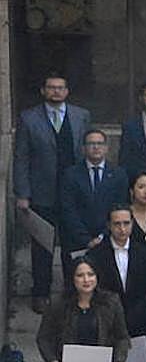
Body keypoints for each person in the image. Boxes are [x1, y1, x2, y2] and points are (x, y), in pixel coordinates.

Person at [14, 71, 90, 311]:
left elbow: (87, 150)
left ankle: (72, 292)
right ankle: (41, 292)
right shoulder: (29, 118)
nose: (56, 91)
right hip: (42, 192)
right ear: (43, 91)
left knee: (73, 244)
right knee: (42, 246)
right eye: (51, 87)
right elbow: (21, 157)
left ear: (67, 91)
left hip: (72, 192)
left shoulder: (81, 116)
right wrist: (22, 193)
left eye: (60, 88)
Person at [87, 205, 146, 343]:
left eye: (126, 223)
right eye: (117, 224)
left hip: (139, 324)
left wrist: (134, 316)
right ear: (108, 225)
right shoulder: (95, 255)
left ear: (132, 223)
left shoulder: (145, 254)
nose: (122, 229)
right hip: (106, 325)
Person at [59, 129, 130, 257]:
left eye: (100, 143)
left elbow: (121, 207)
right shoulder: (70, 175)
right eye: (91, 143)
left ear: (106, 148)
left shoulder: (119, 175)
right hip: (76, 242)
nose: (96, 147)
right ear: (83, 148)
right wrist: (86, 240)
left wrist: (103, 236)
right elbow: (68, 210)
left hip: (109, 241)